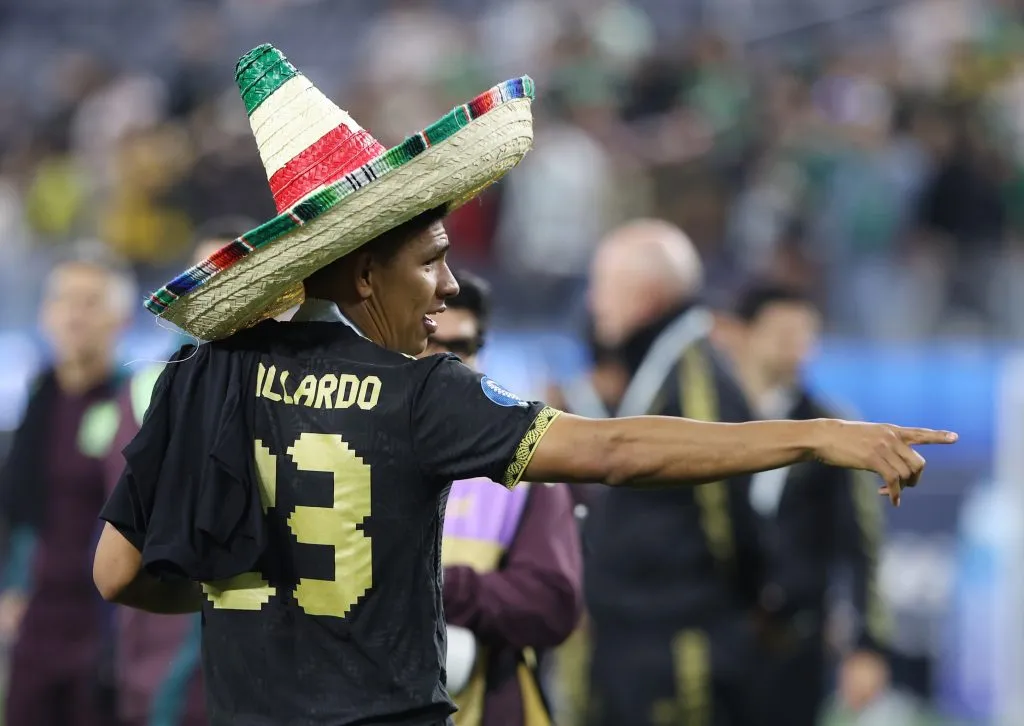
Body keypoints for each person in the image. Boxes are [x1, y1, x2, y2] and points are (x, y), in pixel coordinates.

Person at [92, 44, 954, 726]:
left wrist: (248, 602)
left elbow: (120, 575)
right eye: (430, 261)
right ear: (362, 276)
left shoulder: (196, 377)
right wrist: (809, 437)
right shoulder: (420, 392)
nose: (449, 287)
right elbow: (614, 450)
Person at [579, 219, 767, 726]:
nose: (594, 303)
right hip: (638, 640)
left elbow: (728, 514)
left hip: (681, 645)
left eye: (604, 286)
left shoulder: (698, 379)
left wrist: (722, 602)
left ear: (647, 295)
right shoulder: (661, 367)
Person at [97, 217, 257, 726]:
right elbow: (112, 540)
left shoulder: (281, 383)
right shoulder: (149, 387)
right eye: (203, 274)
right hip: (159, 652)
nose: (215, 291)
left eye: (232, 273)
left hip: (258, 660)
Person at [423, 270, 583, 726]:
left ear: (480, 354)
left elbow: (553, 603)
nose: (441, 363)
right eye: (429, 341)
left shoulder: (528, 470)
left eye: (460, 349)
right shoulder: (355, 450)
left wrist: (431, 585)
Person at [729, 282, 891, 726]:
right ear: (742, 335)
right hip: (715, 638)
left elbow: (861, 543)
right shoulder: (708, 420)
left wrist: (867, 646)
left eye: (804, 336)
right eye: (782, 334)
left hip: (795, 645)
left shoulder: (835, 431)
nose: (795, 349)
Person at [0, 242, 135, 726]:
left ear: (119, 319)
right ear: (45, 315)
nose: (75, 316)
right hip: (39, 612)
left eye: (90, 302)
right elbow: (19, 506)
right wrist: (12, 587)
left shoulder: (132, 402)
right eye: (65, 301)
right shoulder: (38, 398)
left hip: (102, 620)